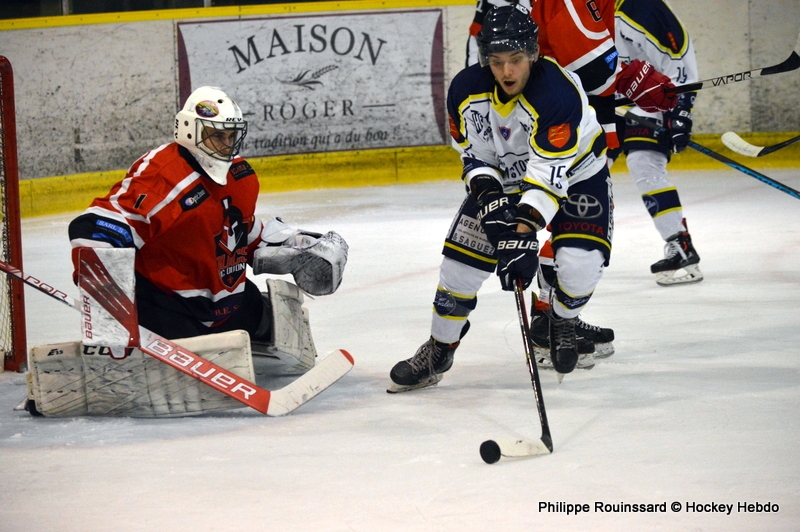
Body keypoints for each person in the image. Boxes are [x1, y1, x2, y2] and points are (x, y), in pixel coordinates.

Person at [388, 4, 613, 392]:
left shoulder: (557, 92)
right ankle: (440, 348)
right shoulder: (464, 90)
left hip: (577, 176)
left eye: (516, 60)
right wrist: (490, 201)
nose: (507, 72)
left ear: (533, 55)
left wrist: (521, 234)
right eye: (496, 61)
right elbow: (475, 156)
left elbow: (547, 176)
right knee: (458, 271)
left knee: (579, 268)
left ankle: (558, 320)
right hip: (509, 180)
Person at [68, 86, 348, 376]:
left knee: (270, 320)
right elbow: (91, 229)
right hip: (172, 309)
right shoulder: (162, 177)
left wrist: (289, 242)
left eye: (231, 136)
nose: (226, 145)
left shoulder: (241, 175)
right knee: (189, 356)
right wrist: (108, 312)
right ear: (190, 131)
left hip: (228, 304)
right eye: (217, 135)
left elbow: (239, 230)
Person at [611, 0, 702, 285]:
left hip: (652, 97)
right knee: (587, 168)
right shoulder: (580, 10)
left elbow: (679, 58)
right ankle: (573, 247)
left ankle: (680, 245)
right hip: (606, 102)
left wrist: (681, 110)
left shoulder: (641, 8)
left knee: (643, 160)